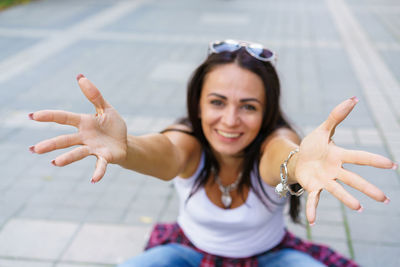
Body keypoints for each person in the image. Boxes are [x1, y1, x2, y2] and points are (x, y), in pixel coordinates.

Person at [29, 40, 397, 267]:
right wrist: (127, 149)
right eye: (217, 102)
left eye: (249, 107)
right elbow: (165, 153)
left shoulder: (276, 139)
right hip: (187, 251)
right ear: (198, 104)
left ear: (266, 112)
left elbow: (283, 160)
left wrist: (301, 164)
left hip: (272, 256)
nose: (231, 121)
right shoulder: (188, 138)